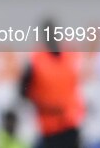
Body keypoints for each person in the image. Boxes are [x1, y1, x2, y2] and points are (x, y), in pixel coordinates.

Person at [20, 19, 84, 148]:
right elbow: (23, 90)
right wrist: (42, 104)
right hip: (49, 126)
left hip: (70, 121)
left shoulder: (71, 56)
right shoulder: (36, 60)